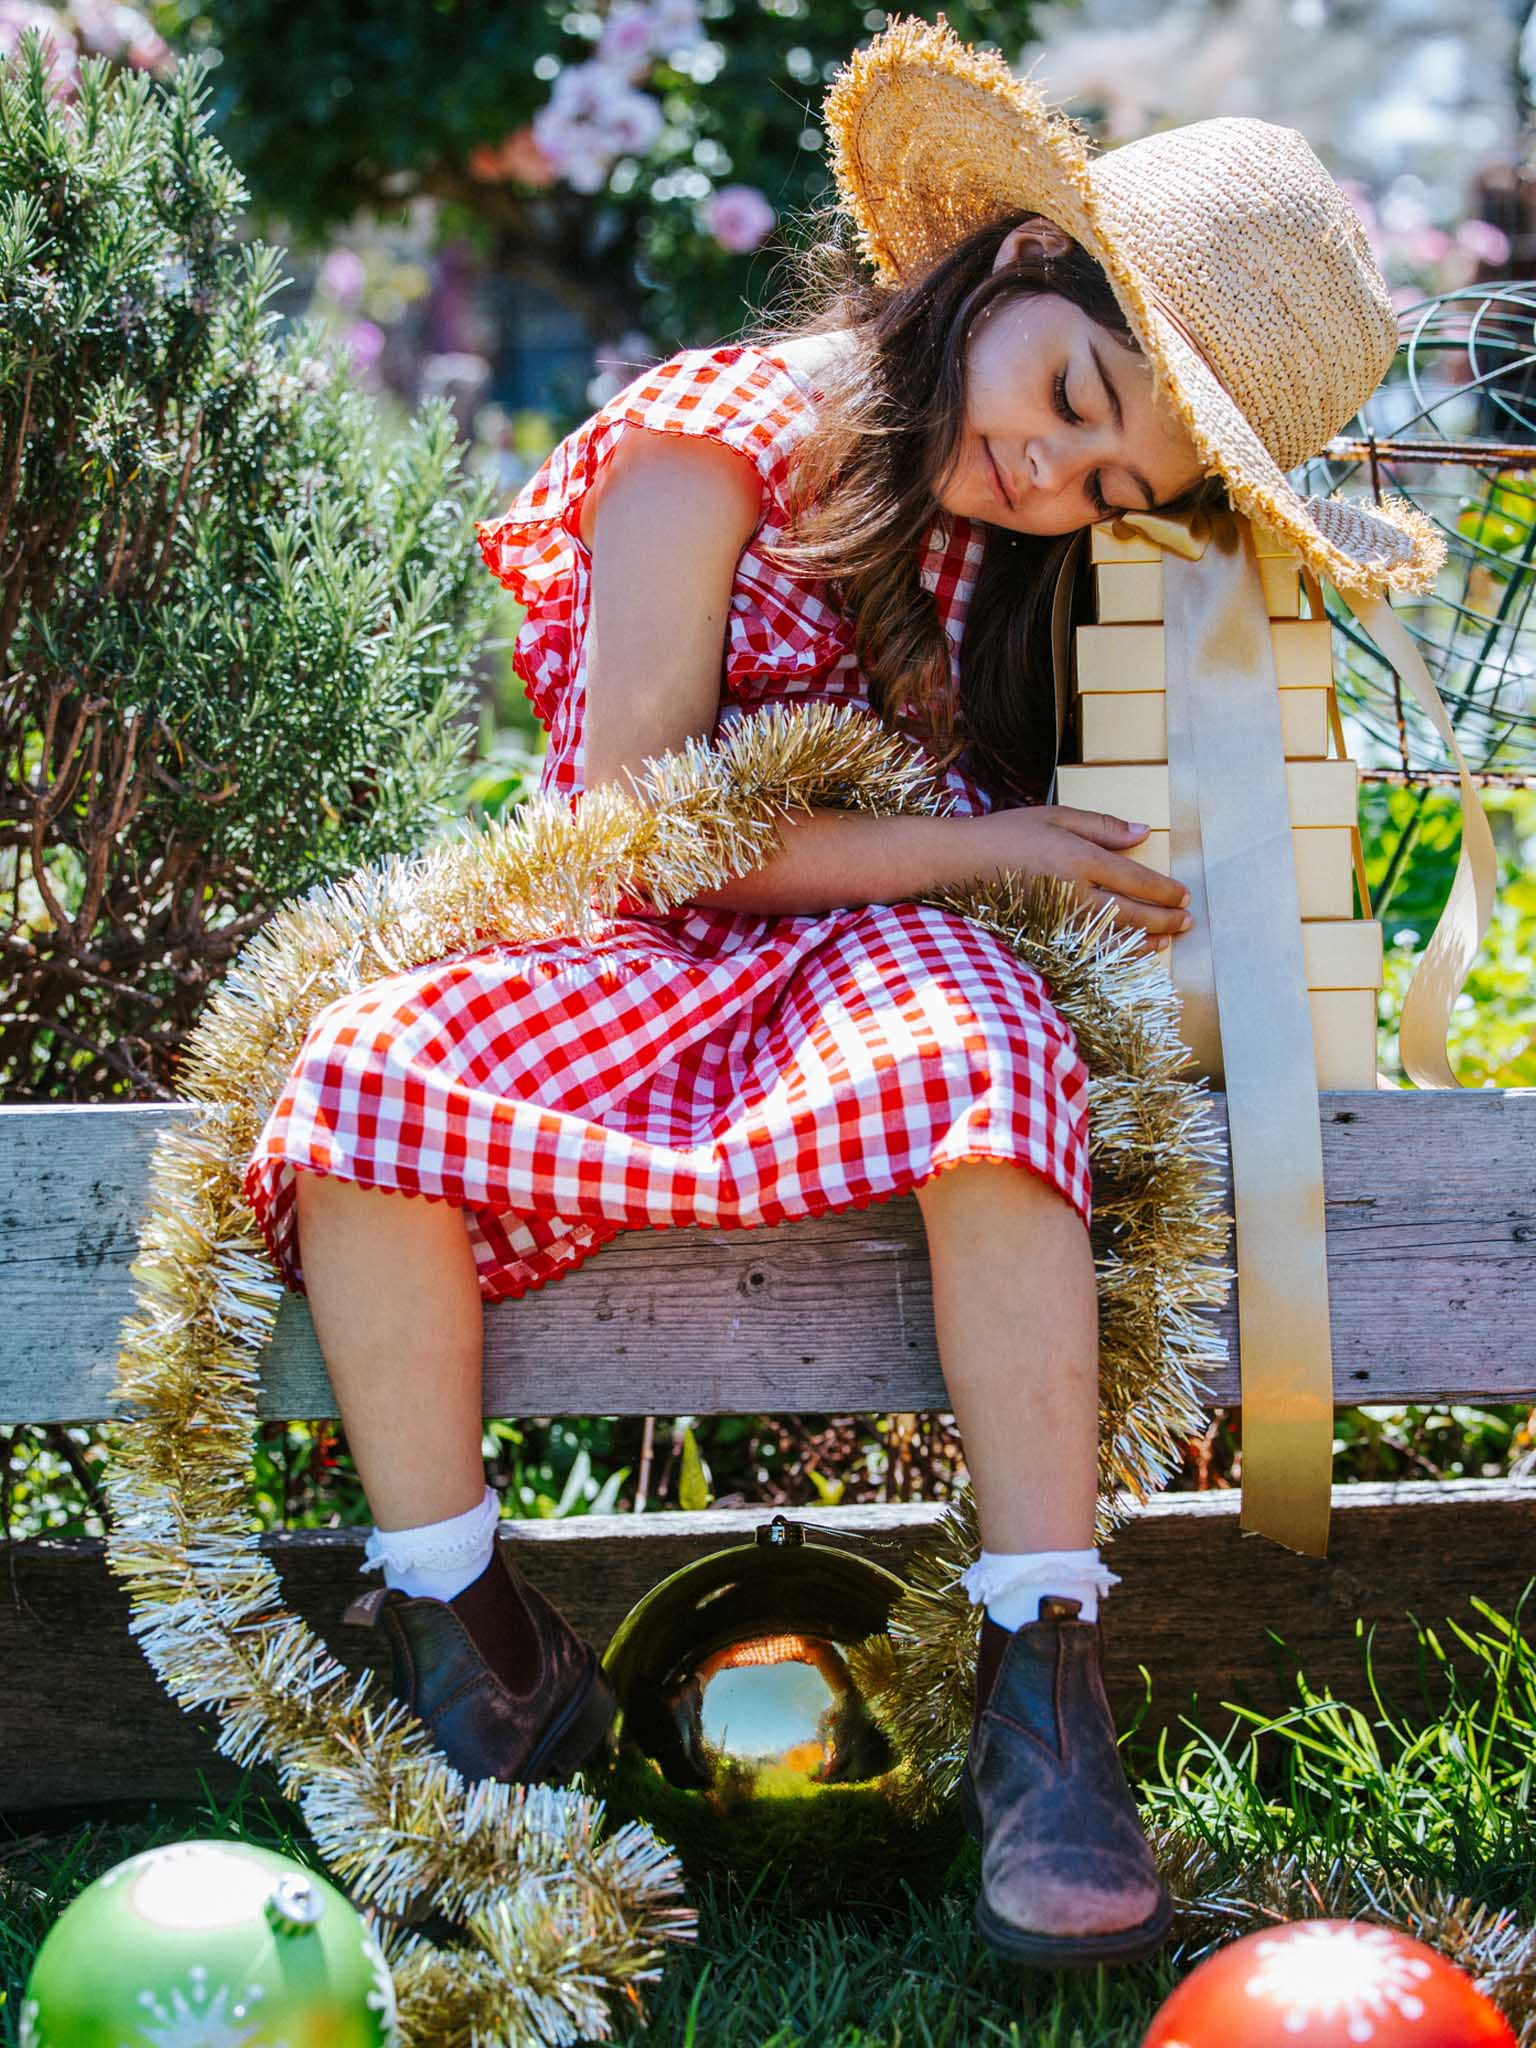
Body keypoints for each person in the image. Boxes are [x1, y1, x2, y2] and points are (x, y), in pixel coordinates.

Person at [242, 14, 1439, 1973]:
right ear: (1017, 266)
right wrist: (989, 851)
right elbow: (642, 833)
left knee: (991, 1063)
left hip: (895, 959)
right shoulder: (710, 444)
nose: (1046, 466)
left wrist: (1099, 846)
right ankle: (474, 1637)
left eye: (1106, 475)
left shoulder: (1027, 553)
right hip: (644, 929)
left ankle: (1047, 1683)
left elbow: (1081, 840)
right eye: (1066, 395)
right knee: (368, 1074)